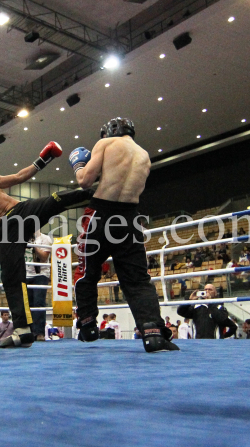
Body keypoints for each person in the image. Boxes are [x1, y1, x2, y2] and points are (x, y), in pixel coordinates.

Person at [0, 142, 94, 349]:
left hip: (23, 211)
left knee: (56, 200)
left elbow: (19, 176)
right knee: (10, 276)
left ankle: (100, 195)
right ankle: (23, 330)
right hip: (6, 229)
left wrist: (44, 159)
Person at [68, 118, 178, 352]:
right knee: (137, 279)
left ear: (109, 131)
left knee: (86, 272)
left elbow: (84, 181)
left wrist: (78, 164)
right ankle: (152, 331)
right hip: (129, 218)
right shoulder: (144, 155)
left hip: (100, 213)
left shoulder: (106, 144)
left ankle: (87, 326)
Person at [25, 230, 53, 341]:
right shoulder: (23, 238)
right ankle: (31, 332)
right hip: (26, 274)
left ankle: (40, 332)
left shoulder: (45, 239)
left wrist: (33, 246)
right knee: (28, 305)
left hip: (41, 274)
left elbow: (44, 257)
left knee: (38, 302)